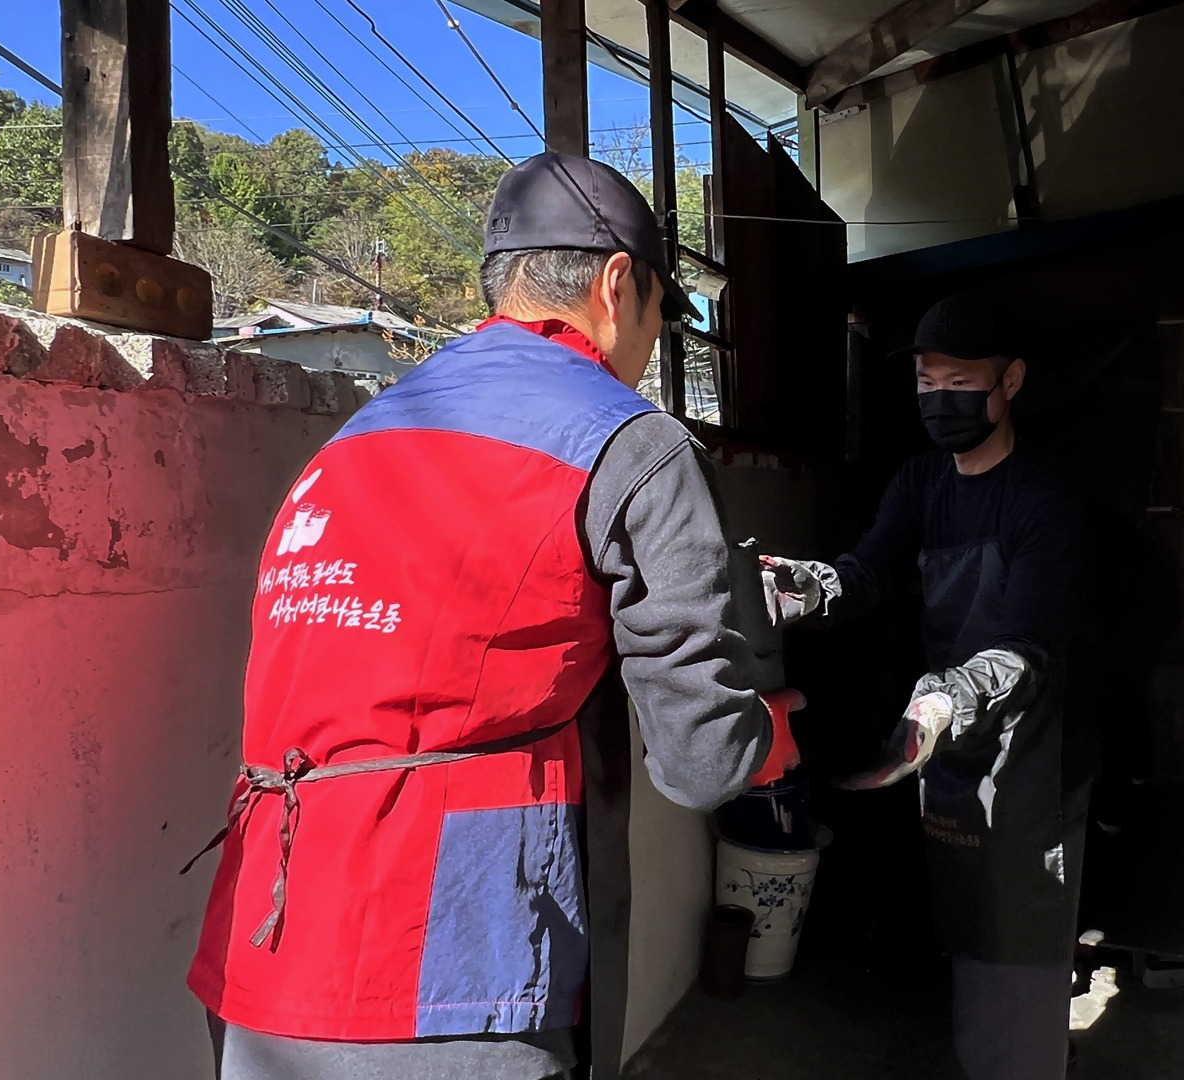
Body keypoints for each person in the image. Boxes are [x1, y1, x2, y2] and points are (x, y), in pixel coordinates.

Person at [184, 151, 803, 1080]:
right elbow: (700, 759)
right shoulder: (631, 442)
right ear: (617, 284)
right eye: (658, 317)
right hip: (449, 973)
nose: (647, 347)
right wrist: (766, 733)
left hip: (260, 946)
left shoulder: (361, 435)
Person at [763, 293, 1092, 1080]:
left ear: (1010, 381)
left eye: (960, 381)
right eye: (926, 381)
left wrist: (947, 699)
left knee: (1022, 946)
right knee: (970, 929)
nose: (940, 399)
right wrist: (812, 587)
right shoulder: (920, 483)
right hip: (946, 741)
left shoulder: (1043, 498)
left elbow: (1028, 649)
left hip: (1033, 753)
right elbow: (871, 570)